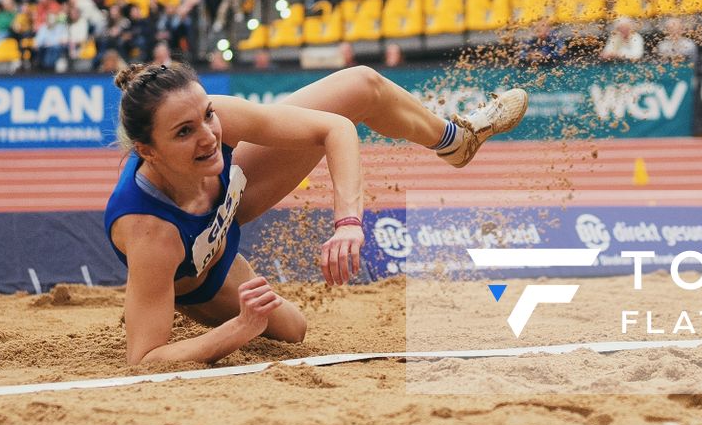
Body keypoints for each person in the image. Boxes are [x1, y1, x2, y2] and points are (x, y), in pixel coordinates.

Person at [104, 62, 529, 365]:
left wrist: (348, 223)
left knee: (361, 85)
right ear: (146, 151)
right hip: (203, 269)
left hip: (226, 203)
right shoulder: (151, 233)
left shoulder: (214, 121)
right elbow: (146, 359)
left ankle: (455, 141)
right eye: (184, 132)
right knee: (292, 329)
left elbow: (334, 128)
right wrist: (240, 327)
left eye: (208, 115)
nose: (209, 136)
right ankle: (151, 295)